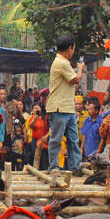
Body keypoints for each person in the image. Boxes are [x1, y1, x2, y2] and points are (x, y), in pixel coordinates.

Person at [45, 34, 84, 173]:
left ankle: (76, 166)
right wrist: (81, 69)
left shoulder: (62, 62)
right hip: (59, 107)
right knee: (57, 139)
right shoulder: (62, 63)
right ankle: (54, 166)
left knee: (73, 139)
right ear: (70, 48)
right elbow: (76, 80)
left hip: (68, 107)